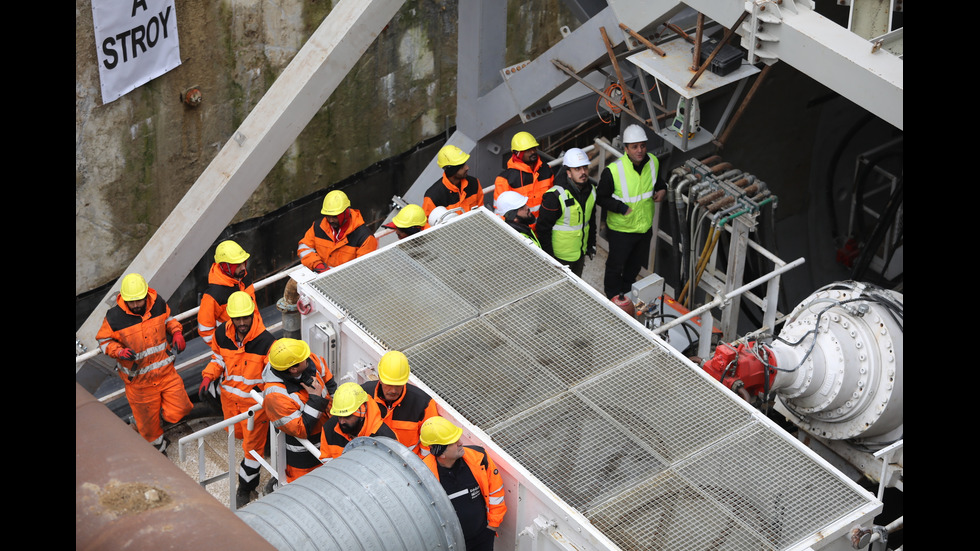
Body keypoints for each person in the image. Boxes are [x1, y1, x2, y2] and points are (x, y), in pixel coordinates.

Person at [96, 273, 192, 454]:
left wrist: (177, 332)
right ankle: (158, 448)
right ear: (124, 299)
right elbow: (103, 341)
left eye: (138, 301)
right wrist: (119, 351)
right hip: (139, 383)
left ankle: (151, 419)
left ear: (146, 295)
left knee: (181, 408)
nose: (135, 305)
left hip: (166, 374)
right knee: (149, 429)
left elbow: (168, 320)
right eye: (131, 302)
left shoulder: (158, 305)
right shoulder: (114, 317)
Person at [198, 291, 275, 507]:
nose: (242, 323)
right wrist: (208, 375)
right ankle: (264, 446)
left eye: (246, 317)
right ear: (231, 317)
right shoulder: (222, 334)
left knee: (251, 451)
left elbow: (272, 377)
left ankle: (245, 488)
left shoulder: (266, 342)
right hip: (230, 404)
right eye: (237, 318)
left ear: (253, 314)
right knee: (241, 439)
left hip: (254, 410)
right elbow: (218, 358)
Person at [596, 124, 666, 299]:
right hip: (622, 230)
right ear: (626, 148)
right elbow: (601, 198)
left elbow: (657, 182)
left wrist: (663, 189)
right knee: (615, 266)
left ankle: (627, 294)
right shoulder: (613, 171)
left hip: (643, 228)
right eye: (634, 147)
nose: (640, 150)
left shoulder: (653, 162)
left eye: (642, 145)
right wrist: (621, 208)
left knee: (634, 266)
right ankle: (612, 297)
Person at [420, 416, 506, 551]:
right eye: (453, 442)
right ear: (441, 453)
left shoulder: (479, 457)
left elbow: (496, 492)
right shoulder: (422, 475)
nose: (460, 443)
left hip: (483, 537)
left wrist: (492, 527)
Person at [262, 338, 338, 483]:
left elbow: (330, 383)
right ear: (293, 369)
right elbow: (300, 429)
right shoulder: (275, 396)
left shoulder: (308, 361)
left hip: (330, 442)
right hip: (305, 461)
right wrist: (315, 398)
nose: (309, 358)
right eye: (304, 359)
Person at [361, 351, 438, 457]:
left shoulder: (423, 404)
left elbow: (429, 451)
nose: (393, 390)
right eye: (389, 384)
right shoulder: (363, 395)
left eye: (398, 385)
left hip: (407, 466)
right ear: (379, 378)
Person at [536, 148, 597, 277]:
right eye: (577, 169)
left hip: (579, 253)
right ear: (568, 172)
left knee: (575, 287)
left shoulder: (591, 191)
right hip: (559, 258)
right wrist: (549, 258)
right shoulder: (555, 196)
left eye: (585, 168)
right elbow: (543, 229)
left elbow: (590, 220)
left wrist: (591, 244)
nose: (583, 172)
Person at [197, 240, 261, 346]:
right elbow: (205, 330)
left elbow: (254, 310)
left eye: (244, 263)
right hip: (234, 347)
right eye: (238, 265)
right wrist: (225, 349)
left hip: (254, 337)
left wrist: (259, 331)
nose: (243, 268)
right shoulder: (214, 294)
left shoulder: (243, 276)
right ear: (225, 266)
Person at [298, 189, 379, 273]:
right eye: (327, 216)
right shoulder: (318, 226)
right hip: (320, 275)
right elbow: (304, 248)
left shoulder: (365, 238)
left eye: (334, 217)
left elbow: (362, 270)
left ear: (346, 212)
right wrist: (318, 265)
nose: (330, 220)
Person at [319, 382, 398, 460]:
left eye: (347, 417)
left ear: (362, 411)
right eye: (339, 416)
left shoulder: (386, 438)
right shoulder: (328, 429)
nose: (342, 421)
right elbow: (327, 464)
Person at [493, 131, 554, 224]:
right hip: (523, 231)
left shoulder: (546, 170)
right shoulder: (504, 179)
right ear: (517, 153)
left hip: (545, 226)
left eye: (534, 148)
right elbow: (500, 212)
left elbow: (553, 198)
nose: (533, 152)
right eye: (528, 150)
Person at [423, 145, 485, 217]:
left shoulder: (474, 183)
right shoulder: (433, 196)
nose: (467, 167)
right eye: (462, 166)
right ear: (452, 170)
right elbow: (428, 226)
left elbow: (481, 212)